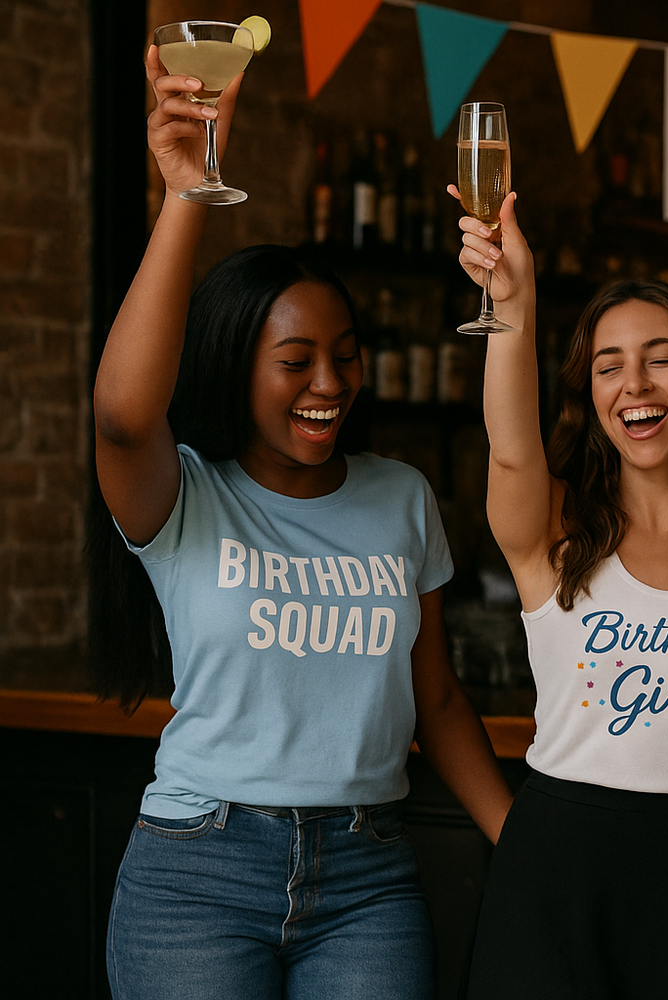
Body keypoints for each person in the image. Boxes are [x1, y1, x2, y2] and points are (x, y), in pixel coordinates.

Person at [92, 49, 511, 1000]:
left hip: (365, 877)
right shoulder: (183, 494)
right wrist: (188, 196)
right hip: (198, 870)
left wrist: (517, 841)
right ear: (238, 363)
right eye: (297, 360)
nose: (331, 384)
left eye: (346, 357)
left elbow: (437, 699)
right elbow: (122, 413)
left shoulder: (400, 495)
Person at [452, 189, 668, 999]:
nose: (634, 383)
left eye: (661, 357)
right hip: (558, 869)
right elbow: (510, 452)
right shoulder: (553, 526)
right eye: (609, 365)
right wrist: (514, 301)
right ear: (592, 398)